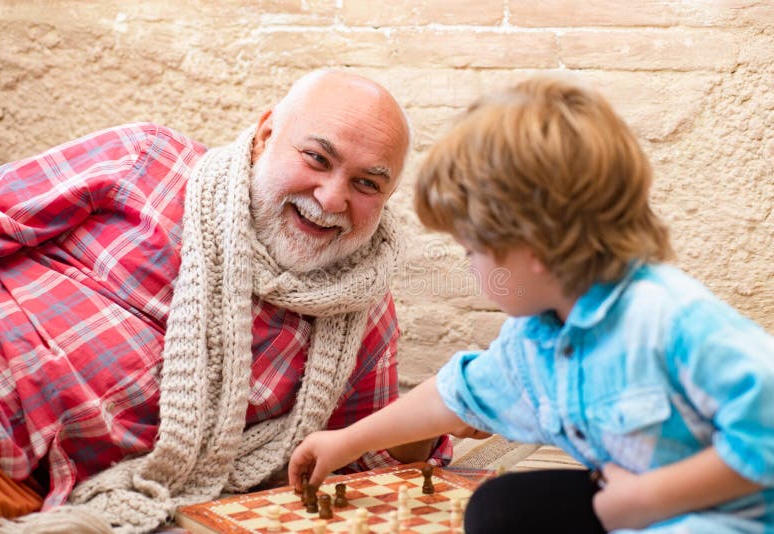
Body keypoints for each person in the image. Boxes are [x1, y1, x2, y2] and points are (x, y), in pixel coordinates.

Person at [288, 76, 774, 533]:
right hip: (629, 502)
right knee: (500, 508)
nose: (472, 270)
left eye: (472, 251)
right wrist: (345, 442)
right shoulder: (539, 335)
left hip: (727, 516)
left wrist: (635, 501)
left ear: (532, 248)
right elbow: (456, 397)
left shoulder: (668, 318)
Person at [0, 69, 453, 533]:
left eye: (366, 184)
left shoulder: (364, 317)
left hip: (69, 494)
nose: (330, 199)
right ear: (267, 134)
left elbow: (369, 464)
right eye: (316, 159)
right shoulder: (146, 159)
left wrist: (450, 402)